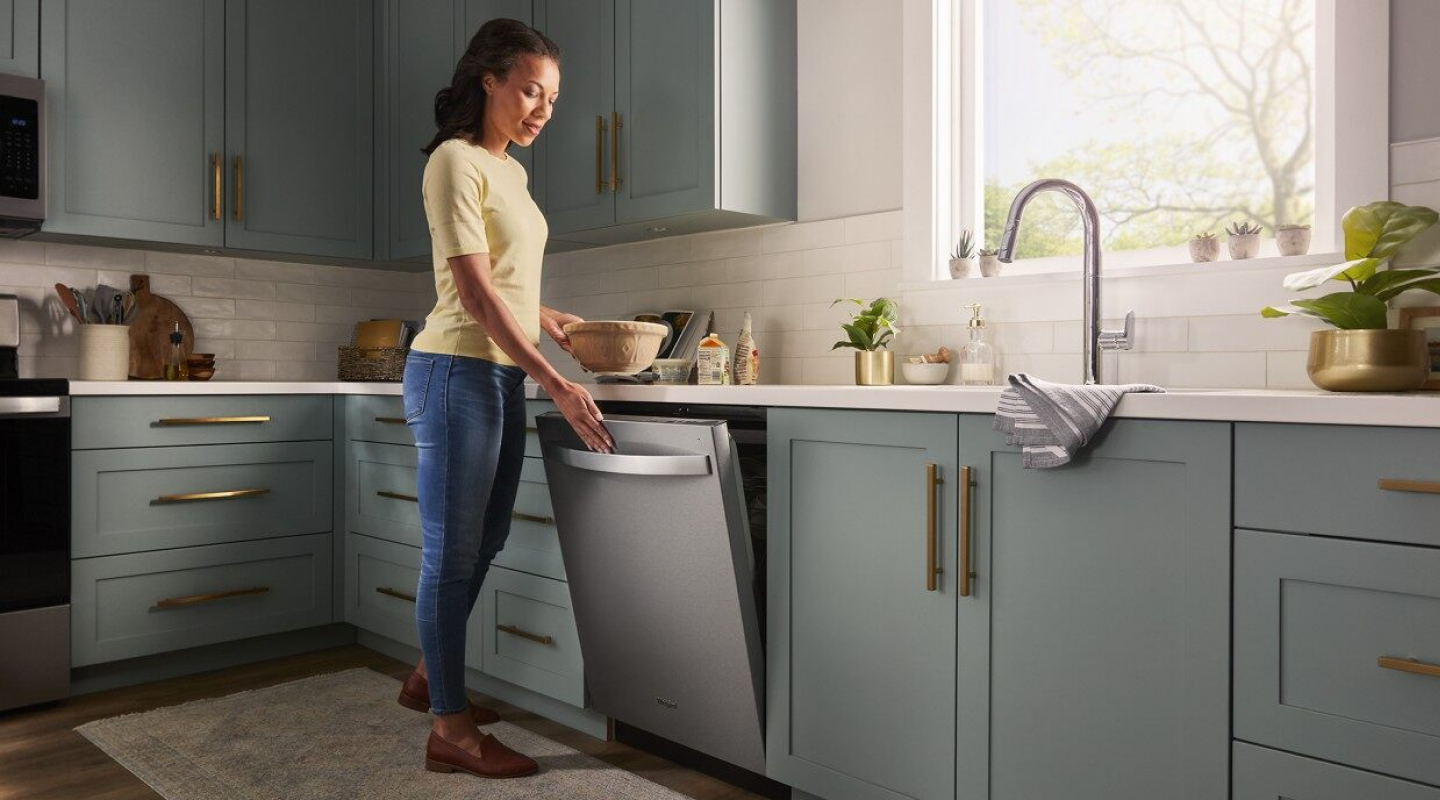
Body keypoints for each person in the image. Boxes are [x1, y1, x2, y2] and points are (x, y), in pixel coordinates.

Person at [396, 17, 613, 780]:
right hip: (455, 372)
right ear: (487, 79)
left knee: (483, 542)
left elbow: (509, 288)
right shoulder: (454, 163)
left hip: (498, 373)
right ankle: (450, 732)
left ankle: (430, 677)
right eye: (529, 90)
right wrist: (555, 377)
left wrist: (548, 320)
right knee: (450, 556)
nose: (540, 111)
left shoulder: (512, 173)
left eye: (551, 99)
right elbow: (474, 293)